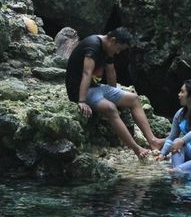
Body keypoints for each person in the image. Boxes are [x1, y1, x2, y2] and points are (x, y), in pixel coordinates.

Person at [65, 27, 165, 158]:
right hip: (79, 90)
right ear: (113, 40)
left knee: (134, 99)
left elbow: (110, 71)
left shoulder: (108, 48)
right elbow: (86, 72)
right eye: (118, 48)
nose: (117, 52)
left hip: (95, 87)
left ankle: (153, 141)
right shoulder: (93, 46)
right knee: (110, 108)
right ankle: (137, 148)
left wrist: (114, 95)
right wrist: (82, 101)